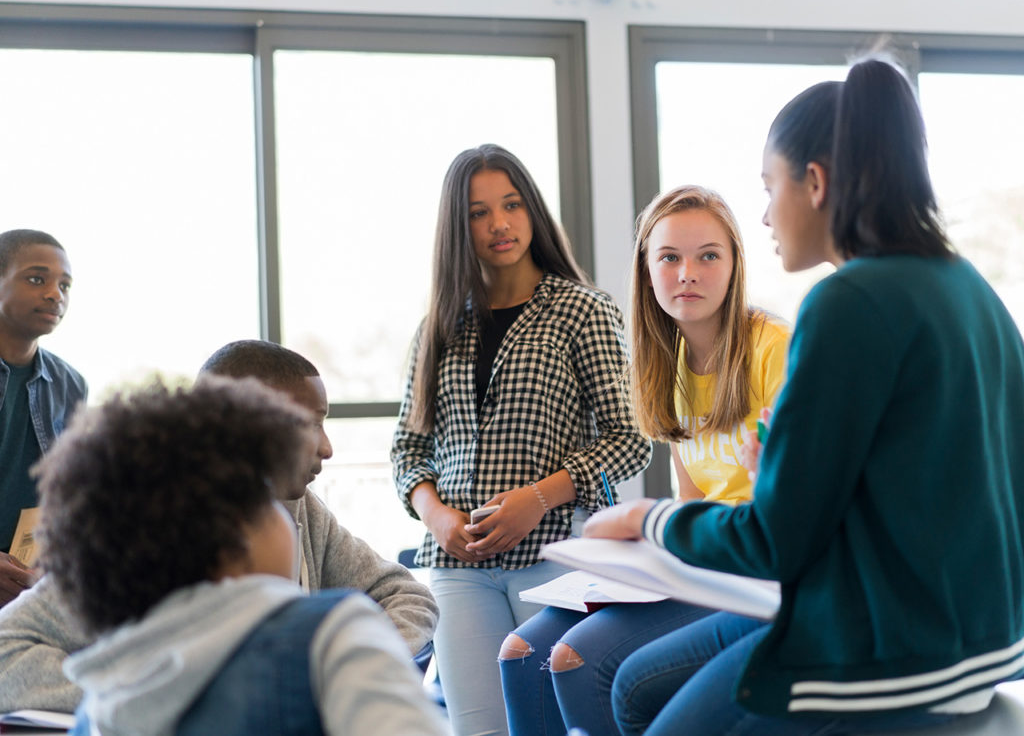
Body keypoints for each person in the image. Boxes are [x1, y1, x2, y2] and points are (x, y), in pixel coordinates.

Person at [584, 56, 1024, 735]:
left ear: (814, 183)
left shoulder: (846, 302)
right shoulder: (968, 288)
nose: (765, 214)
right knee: (640, 694)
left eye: (770, 186)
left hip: (886, 658)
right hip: (985, 647)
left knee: (643, 708)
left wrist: (648, 521)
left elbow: (773, 543)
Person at [0, 339, 438, 714]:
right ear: (240, 425)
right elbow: (7, 651)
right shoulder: (142, 528)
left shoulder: (303, 509)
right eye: (310, 424)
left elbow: (408, 595)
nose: (327, 447)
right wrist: (158, 695)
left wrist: (344, 670)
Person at [498, 185, 790, 735]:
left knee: (573, 659)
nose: (688, 274)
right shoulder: (667, 363)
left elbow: (792, 505)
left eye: (708, 255)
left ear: (734, 266)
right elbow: (694, 501)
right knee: (519, 652)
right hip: (699, 561)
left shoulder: (774, 348)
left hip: (751, 573)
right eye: (670, 257)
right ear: (647, 270)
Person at [391, 143, 651, 735]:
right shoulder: (438, 326)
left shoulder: (583, 310)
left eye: (510, 205)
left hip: (554, 553)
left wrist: (536, 498)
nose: (499, 224)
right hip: (458, 567)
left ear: (531, 209)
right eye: (479, 212)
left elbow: (629, 436)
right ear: (459, 228)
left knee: (549, 724)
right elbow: (408, 449)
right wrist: (436, 517)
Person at [0, 229, 86, 608]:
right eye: (37, 279)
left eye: (65, 284)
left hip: (30, 582)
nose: (56, 294)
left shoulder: (71, 384)